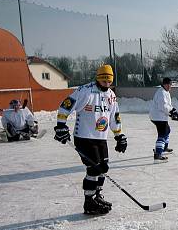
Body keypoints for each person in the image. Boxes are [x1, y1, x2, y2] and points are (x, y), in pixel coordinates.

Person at [54, 64, 127, 215]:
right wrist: (61, 125)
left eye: (109, 82)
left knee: (103, 168)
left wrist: (119, 136)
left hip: (101, 138)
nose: (107, 84)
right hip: (84, 137)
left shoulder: (111, 96)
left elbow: (114, 117)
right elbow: (66, 105)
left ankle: (97, 196)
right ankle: (89, 201)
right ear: (98, 78)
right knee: (94, 168)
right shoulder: (85, 90)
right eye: (104, 81)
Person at [149, 77, 178, 161]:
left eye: (170, 84)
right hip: (157, 116)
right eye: (168, 84)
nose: (170, 86)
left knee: (167, 130)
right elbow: (163, 106)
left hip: (160, 116)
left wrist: (173, 110)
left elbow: (167, 105)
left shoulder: (166, 92)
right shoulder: (161, 92)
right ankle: (158, 153)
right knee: (163, 133)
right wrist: (171, 112)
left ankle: (164, 147)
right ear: (164, 84)